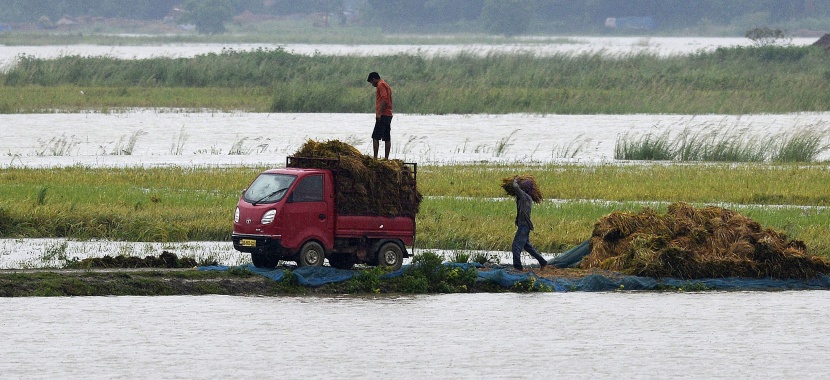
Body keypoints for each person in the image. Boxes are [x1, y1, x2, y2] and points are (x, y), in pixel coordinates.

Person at [511, 177, 547, 271]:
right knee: (527, 247)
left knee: (516, 246)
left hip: (524, 226)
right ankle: (542, 262)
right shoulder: (523, 198)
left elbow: (515, 187)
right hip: (523, 225)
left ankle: (517, 267)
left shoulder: (525, 197)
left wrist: (515, 180)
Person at [367, 71, 393, 159]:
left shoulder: (380, 85)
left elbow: (384, 99)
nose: (372, 84)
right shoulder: (386, 84)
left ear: (374, 79)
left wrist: (379, 114)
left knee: (375, 136)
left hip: (383, 114)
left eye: (371, 82)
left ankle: (375, 158)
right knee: (386, 137)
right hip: (388, 114)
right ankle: (386, 158)